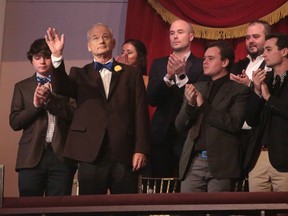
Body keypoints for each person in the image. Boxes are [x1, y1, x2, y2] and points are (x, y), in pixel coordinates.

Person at [45, 23, 150, 195]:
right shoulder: (79, 74)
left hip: (124, 153)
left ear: (114, 43)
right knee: (90, 208)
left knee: (125, 208)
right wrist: (56, 56)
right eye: (95, 38)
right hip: (90, 153)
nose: (101, 40)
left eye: (105, 37)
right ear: (89, 46)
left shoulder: (131, 74)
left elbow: (140, 113)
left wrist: (141, 149)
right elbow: (60, 87)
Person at [175, 40, 250, 192]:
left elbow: (234, 124)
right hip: (193, 161)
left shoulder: (239, 90)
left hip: (221, 163)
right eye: (204, 59)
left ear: (225, 62)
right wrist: (190, 105)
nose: (205, 62)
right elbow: (179, 125)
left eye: (211, 58)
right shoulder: (197, 87)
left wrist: (203, 106)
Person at [9, 38, 76, 197]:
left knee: (58, 208)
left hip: (61, 155)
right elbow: (15, 122)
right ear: (31, 60)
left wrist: (50, 101)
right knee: (28, 207)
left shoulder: (66, 84)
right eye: (37, 58)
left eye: (46, 57)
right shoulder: (22, 86)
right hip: (31, 156)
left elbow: (73, 114)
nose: (42, 62)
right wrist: (36, 106)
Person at [147, 19, 208, 178]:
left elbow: (197, 97)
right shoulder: (159, 64)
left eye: (180, 32)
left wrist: (181, 75)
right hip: (161, 134)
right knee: (161, 185)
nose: (175, 36)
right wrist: (168, 76)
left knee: (186, 183)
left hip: (189, 133)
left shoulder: (202, 64)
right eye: (172, 33)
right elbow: (152, 99)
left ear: (191, 37)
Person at [230, 20, 271, 191]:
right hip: (237, 135)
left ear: (267, 39)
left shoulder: (271, 64)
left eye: (256, 36)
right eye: (247, 37)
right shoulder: (239, 65)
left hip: (259, 136)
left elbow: (270, 98)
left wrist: (249, 86)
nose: (251, 41)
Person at [244, 33, 288, 192]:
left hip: (284, 159)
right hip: (258, 158)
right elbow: (251, 120)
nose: (263, 54)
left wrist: (269, 98)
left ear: (284, 52)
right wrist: (256, 91)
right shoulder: (265, 80)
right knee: (257, 209)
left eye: (269, 49)